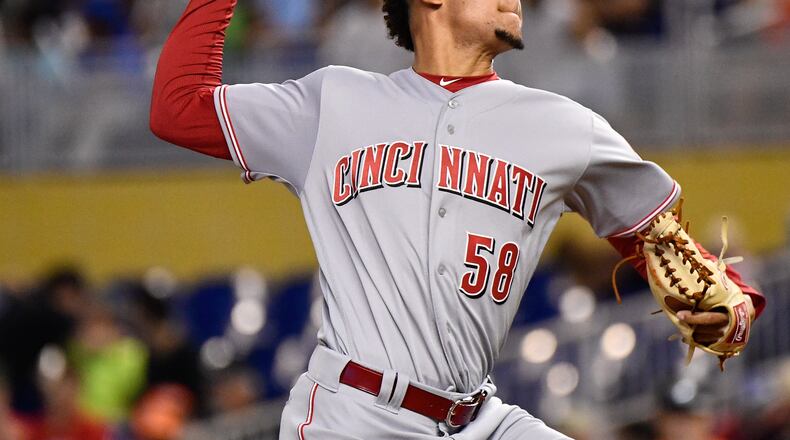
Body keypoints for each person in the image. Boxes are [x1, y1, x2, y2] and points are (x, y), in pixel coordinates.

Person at [149, 0, 766, 438]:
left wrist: (732, 312)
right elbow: (177, 108)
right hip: (353, 414)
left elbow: (670, 248)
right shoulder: (330, 103)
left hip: (477, 418)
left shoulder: (565, 128)